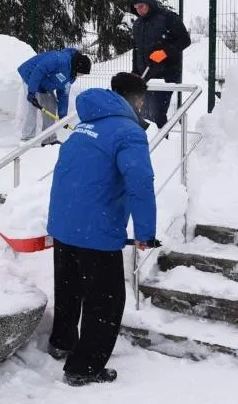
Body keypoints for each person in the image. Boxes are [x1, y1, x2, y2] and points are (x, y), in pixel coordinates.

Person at [46, 72, 156, 387]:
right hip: (96, 231)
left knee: (69, 288)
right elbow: (140, 183)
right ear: (137, 100)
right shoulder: (128, 132)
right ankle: (83, 367)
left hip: (64, 223)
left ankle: (62, 342)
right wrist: (145, 232)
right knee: (105, 302)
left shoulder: (83, 125)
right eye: (143, 101)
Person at [127, 0, 191, 129]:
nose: (139, 10)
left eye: (141, 6)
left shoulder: (168, 18)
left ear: (150, 3)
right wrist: (135, 71)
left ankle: (163, 144)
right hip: (145, 75)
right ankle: (149, 144)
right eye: (136, 8)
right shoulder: (138, 25)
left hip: (166, 75)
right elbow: (137, 50)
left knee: (157, 114)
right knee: (143, 114)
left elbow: (185, 40)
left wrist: (164, 52)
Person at [17, 48, 92, 144]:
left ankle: (48, 139)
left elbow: (63, 95)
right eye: (82, 73)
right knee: (33, 107)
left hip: (44, 84)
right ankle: (27, 138)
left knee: (51, 105)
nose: (81, 75)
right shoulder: (59, 59)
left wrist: (63, 117)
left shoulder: (71, 76)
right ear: (78, 67)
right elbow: (39, 70)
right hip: (30, 75)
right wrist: (31, 92)